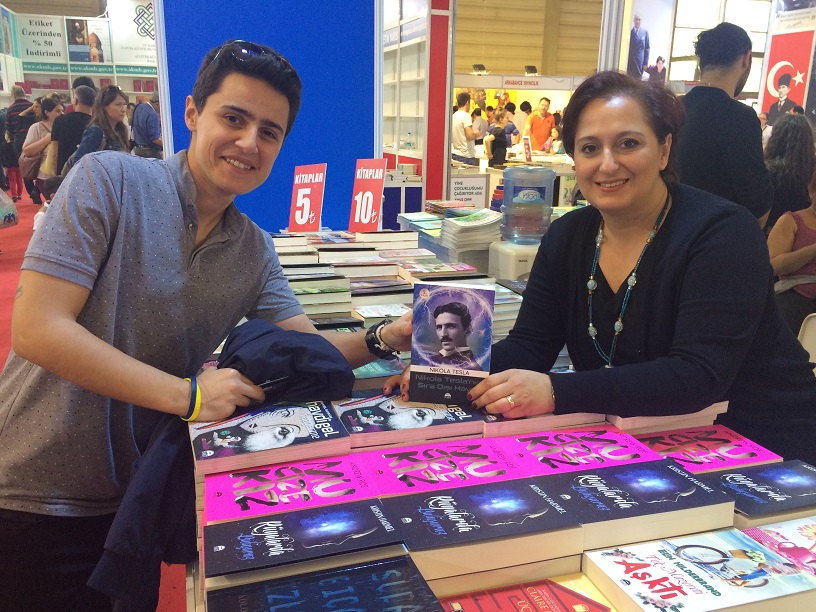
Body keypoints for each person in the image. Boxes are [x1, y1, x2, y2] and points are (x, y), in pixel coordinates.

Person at [0, 39, 412, 610]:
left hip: (135, 500)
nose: (249, 143)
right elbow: (38, 329)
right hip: (31, 494)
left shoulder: (252, 249)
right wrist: (190, 395)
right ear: (193, 113)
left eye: (269, 132)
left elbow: (308, 348)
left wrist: (386, 336)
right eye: (233, 119)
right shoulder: (109, 180)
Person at [407, 70, 816, 467]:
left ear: (664, 150)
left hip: (760, 445)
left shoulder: (723, 233)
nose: (607, 164)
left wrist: (554, 391)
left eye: (628, 143)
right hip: (634, 443)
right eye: (589, 148)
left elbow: (697, 375)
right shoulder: (568, 236)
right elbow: (531, 346)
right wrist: (444, 371)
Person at [677, 22, 773, 226]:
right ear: (746, 58)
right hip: (715, 235)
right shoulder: (741, 117)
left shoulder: (673, 108)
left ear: (701, 61)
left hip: (668, 230)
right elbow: (759, 205)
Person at [767, 173, 816, 335]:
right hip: (796, 295)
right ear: (811, 191)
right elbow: (773, 266)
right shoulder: (791, 220)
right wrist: (813, 250)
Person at [763, 113, 815, 231]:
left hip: (769, 231)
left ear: (775, 138)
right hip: (806, 232)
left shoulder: (767, 170)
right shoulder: (812, 170)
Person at [72, 85, 130, 164]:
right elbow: (79, 162)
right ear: (104, 107)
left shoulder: (120, 130)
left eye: (125, 104)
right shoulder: (96, 131)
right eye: (118, 104)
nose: (123, 109)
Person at [45, 85, 94, 176]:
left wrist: (55, 175)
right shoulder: (97, 124)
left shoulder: (60, 120)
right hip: (89, 173)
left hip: (65, 173)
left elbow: (54, 151)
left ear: (75, 101)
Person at [21, 97, 64, 204]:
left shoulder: (65, 126)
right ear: (47, 112)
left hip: (62, 173)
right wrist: (47, 139)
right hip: (45, 176)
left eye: (62, 110)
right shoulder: (36, 127)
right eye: (58, 111)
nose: (62, 114)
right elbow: (27, 151)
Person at [5, 85, 40, 204]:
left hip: (19, 141)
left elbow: (9, 129)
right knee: (40, 165)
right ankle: (38, 188)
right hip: (36, 138)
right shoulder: (33, 106)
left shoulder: (10, 109)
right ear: (24, 93)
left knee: (25, 168)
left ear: (13, 95)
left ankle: (32, 192)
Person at [428, 301, 482, 370]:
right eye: (439, 327)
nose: (443, 334)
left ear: (468, 330)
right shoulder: (430, 361)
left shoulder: (474, 370)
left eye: (451, 326)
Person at [131, 92, 164, 159]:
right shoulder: (152, 114)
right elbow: (155, 139)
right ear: (157, 103)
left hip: (138, 150)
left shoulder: (139, 107)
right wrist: (168, 145)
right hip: (150, 152)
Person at [451, 91, 477, 165]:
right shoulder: (466, 116)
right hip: (466, 155)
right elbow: (469, 136)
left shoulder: (454, 116)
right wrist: (476, 134)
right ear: (467, 102)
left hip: (455, 152)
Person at [627, 14, 650, 79]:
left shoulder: (645, 32)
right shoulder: (629, 32)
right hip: (630, 62)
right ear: (633, 21)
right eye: (636, 19)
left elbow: (647, 49)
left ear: (641, 21)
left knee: (639, 80)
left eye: (639, 20)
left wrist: (645, 63)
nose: (637, 21)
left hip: (640, 62)